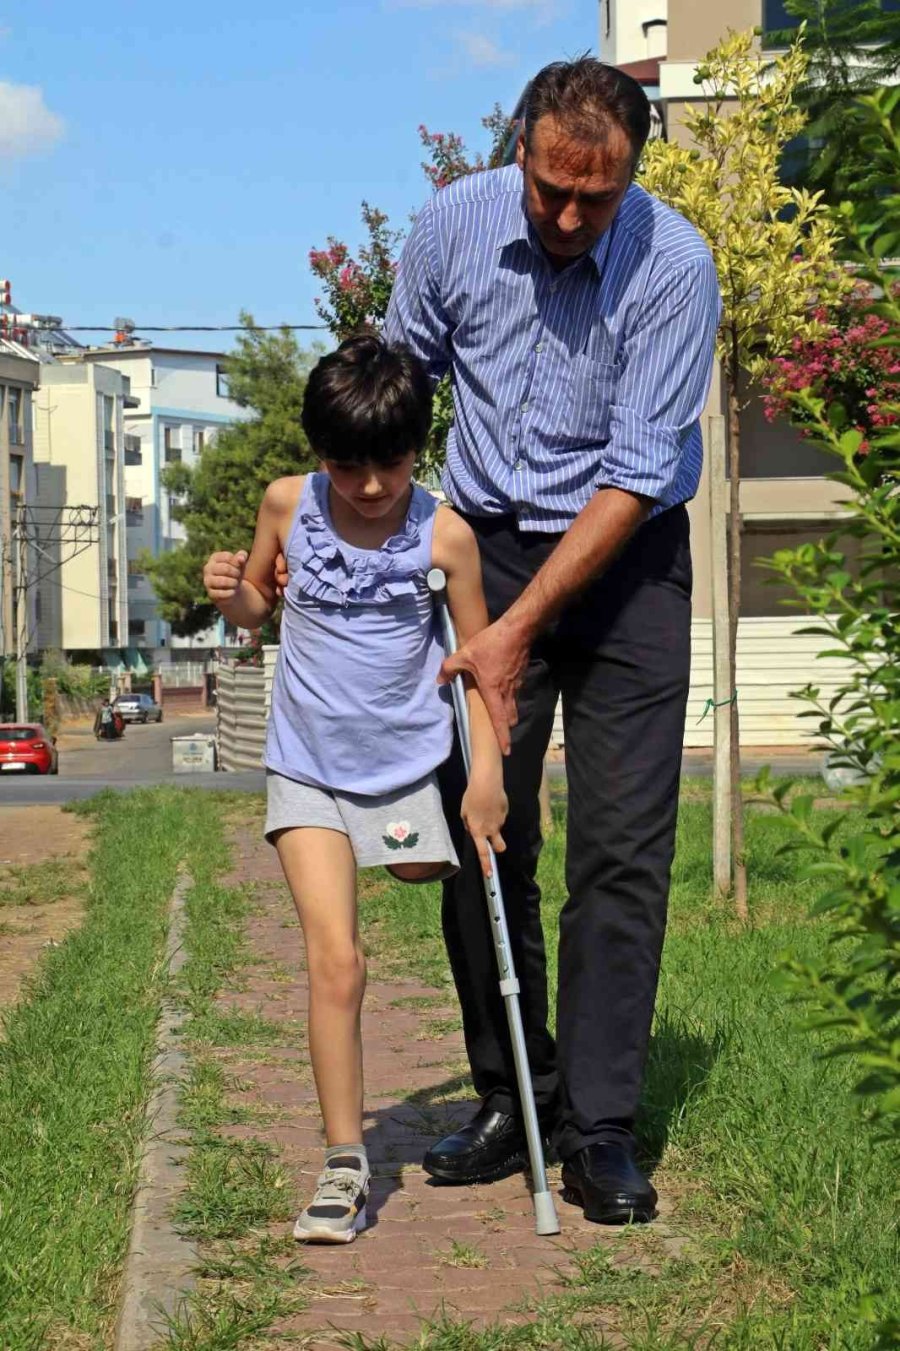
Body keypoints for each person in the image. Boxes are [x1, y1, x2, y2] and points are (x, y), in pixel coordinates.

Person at [381, 57, 721, 1224]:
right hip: (488, 551)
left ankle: (602, 1128)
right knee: (487, 833)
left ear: (633, 173)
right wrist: (321, 531)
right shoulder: (449, 228)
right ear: (519, 146)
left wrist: (519, 633)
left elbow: (637, 472)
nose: (572, 217)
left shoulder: (674, 268)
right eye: (552, 190)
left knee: (622, 846)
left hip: (628, 564)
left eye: (600, 196)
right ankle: (513, 1093)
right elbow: (400, 385)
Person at [202, 336, 507, 1244]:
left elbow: (481, 666)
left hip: (407, 766)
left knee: (424, 877)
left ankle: (414, 858)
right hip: (305, 766)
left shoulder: (445, 532)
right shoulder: (287, 504)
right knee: (338, 959)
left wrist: (484, 778)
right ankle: (344, 1165)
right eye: (346, 464)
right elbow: (259, 606)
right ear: (316, 451)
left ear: (419, 446)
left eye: (389, 462)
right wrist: (231, 592)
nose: (369, 485)